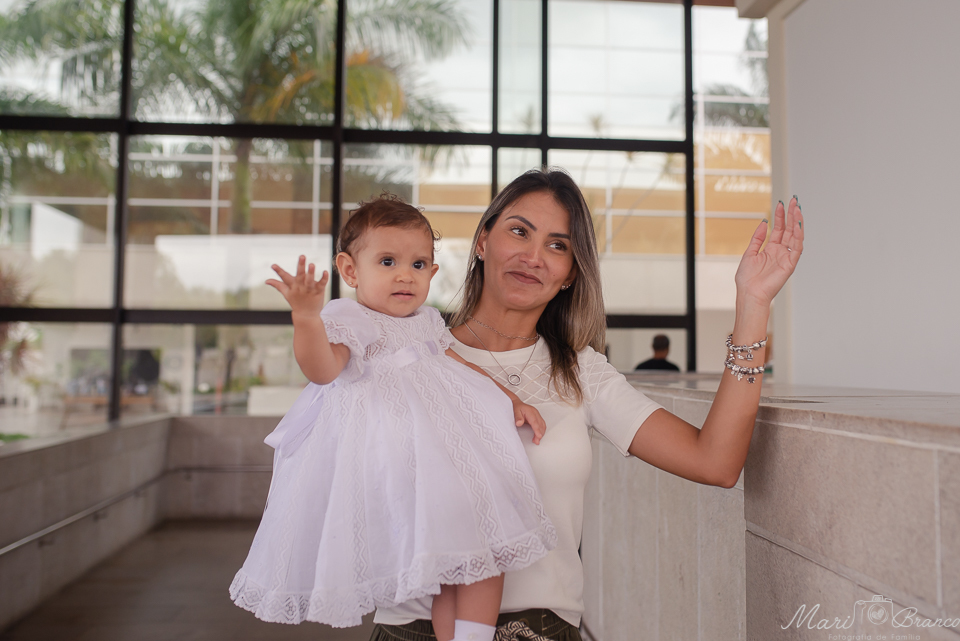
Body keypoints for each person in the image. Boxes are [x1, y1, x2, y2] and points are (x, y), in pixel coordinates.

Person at [369, 169, 803, 641]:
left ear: (571, 273)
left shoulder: (580, 372)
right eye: (519, 231)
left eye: (558, 245)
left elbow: (715, 462)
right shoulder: (406, 356)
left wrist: (753, 304)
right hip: (410, 628)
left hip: (541, 631)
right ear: (482, 240)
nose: (533, 257)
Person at [229, 195, 559, 641]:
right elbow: (322, 369)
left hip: (443, 450)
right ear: (350, 271)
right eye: (387, 261)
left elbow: (459, 366)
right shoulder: (350, 318)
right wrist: (307, 318)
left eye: (419, 264)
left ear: (433, 273)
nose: (405, 275)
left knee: (462, 556)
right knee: (477, 539)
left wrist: (508, 398)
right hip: (399, 458)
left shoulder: (425, 321)